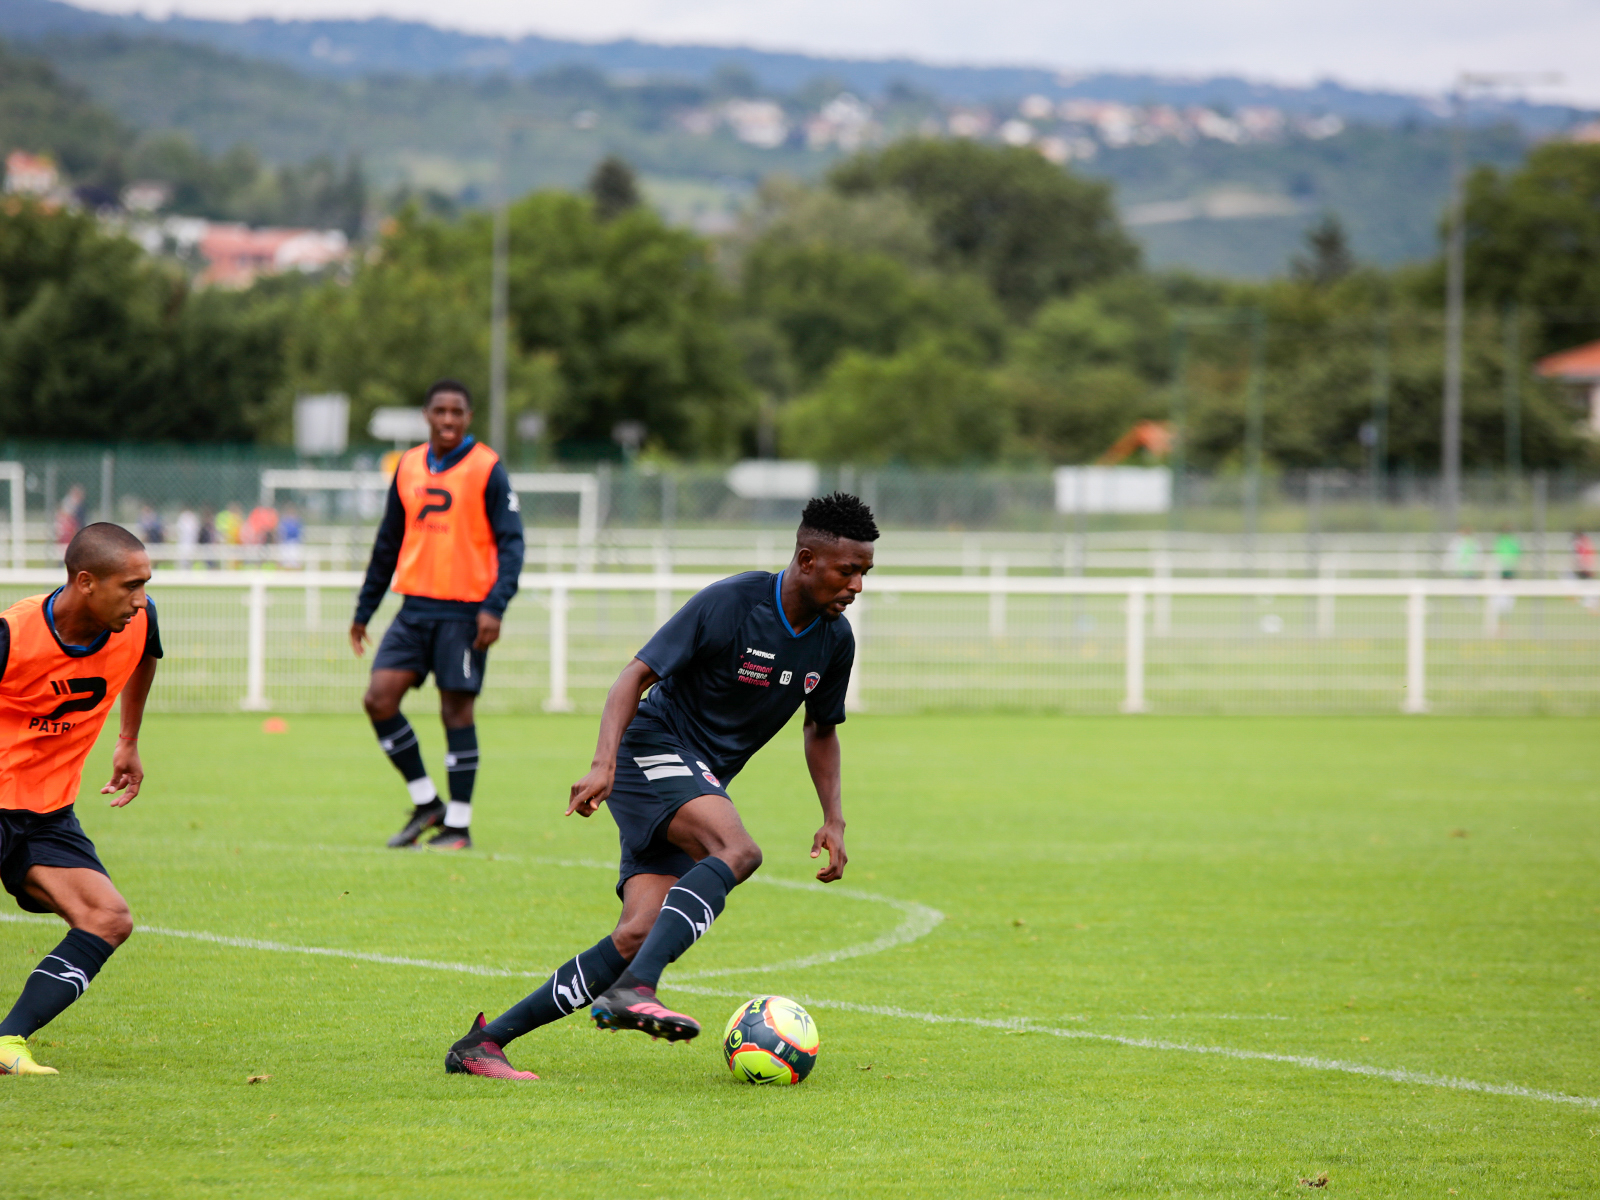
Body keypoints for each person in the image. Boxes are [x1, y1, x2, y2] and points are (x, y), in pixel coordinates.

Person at [442, 493, 876, 1080]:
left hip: (694, 782)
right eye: (847, 570)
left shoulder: (834, 640)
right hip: (651, 748)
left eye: (864, 573)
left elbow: (821, 728)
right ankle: (637, 989)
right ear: (806, 559)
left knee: (638, 931)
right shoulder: (734, 602)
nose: (855, 584)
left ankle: (482, 1045)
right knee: (738, 851)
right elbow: (635, 675)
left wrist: (834, 816)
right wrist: (603, 763)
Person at [0, 524, 161, 1076]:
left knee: (107, 917)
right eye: (130, 586)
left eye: (145, 585)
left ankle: (7, 1040)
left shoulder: (140, 622)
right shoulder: (12, 635)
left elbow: (143, 658)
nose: (140, 600)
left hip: (46, 814)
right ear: (86, 582)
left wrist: (128, 741)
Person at [350, 380, 524, 852]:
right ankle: (427, 803)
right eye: (440, 411)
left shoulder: (487, 468)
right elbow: (389, 541)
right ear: (426, 414)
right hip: (414, 610)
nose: (448, 420)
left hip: (465, 613)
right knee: (379, 699)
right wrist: (365, 608)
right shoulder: (407, 465)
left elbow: (512, 544)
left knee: (456, 712)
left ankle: (459, 828)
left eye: (458, 412)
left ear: (469, 417)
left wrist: (495, 606)